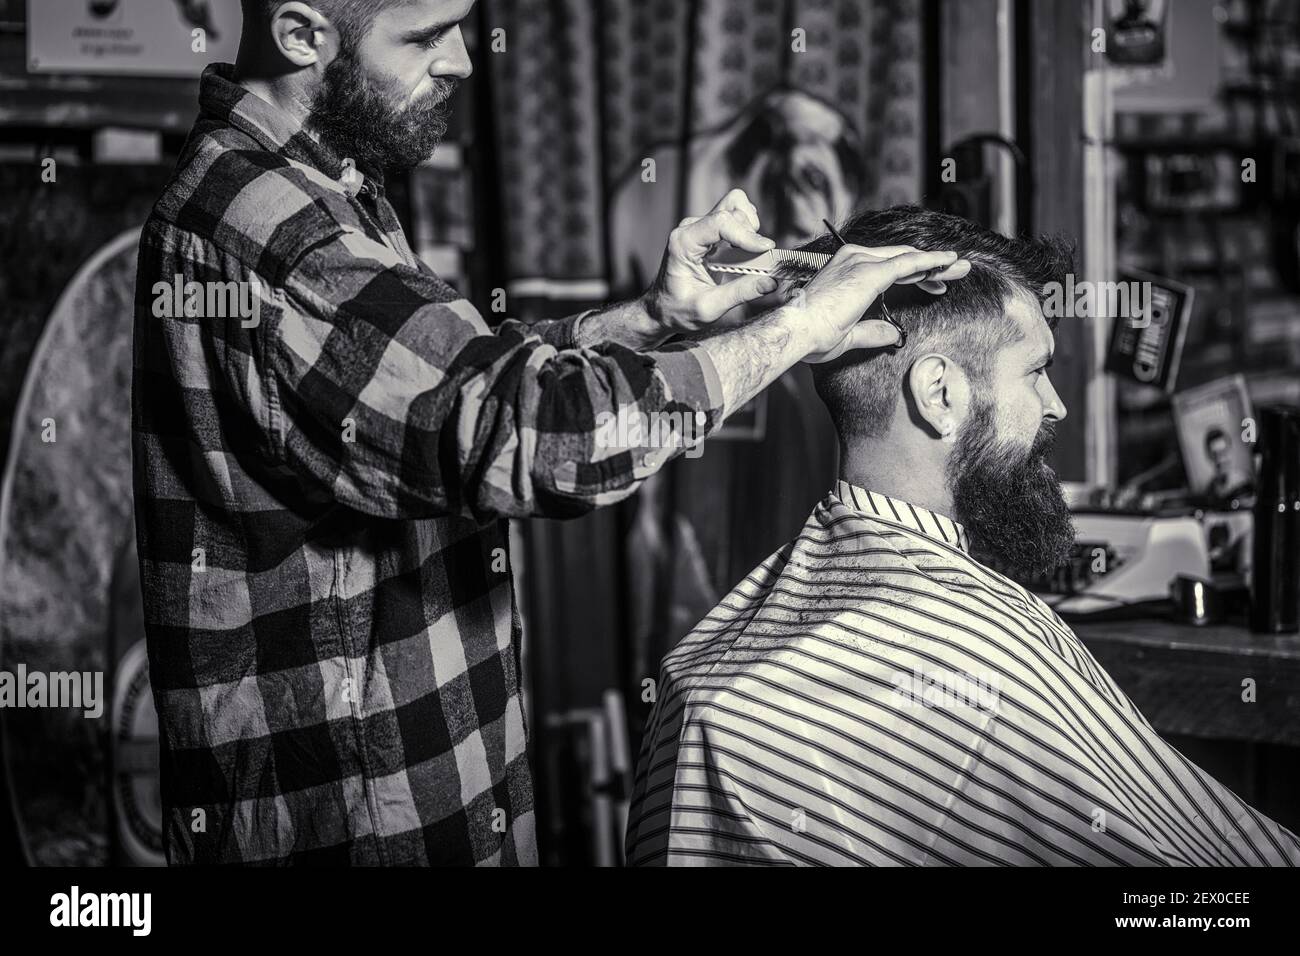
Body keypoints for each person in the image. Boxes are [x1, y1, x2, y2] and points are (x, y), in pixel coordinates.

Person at [132, 0, 967, 865]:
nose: (461, 60)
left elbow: (449, 390)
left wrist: (654, 319)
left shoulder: (326, 184)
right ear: (303, 36)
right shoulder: (276, 234)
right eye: (424, 36)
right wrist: (796, 327)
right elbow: (543, 436)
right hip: (356, 830)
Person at [625, 206, 1300, 866]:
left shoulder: (697, 680)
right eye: (1037, 371)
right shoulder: (993, 648)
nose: (1056, 405)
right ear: (940, 395)